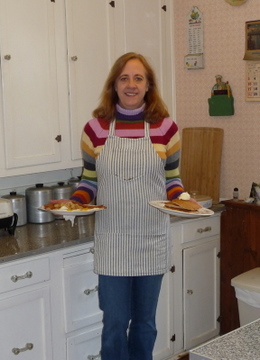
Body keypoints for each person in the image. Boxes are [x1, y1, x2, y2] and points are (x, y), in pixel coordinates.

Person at [70, 52, 185, 360]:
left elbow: (172, 179)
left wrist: (182, 200)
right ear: (114, 85)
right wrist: (73, 203)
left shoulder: (166, 129)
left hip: (152, 238)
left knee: (145, 323)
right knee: (115, 322)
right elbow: (89, 182)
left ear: (149, 86)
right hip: (113, 241)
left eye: (138, 78)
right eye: (124, 78)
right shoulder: (95, 128)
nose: (131, 85)